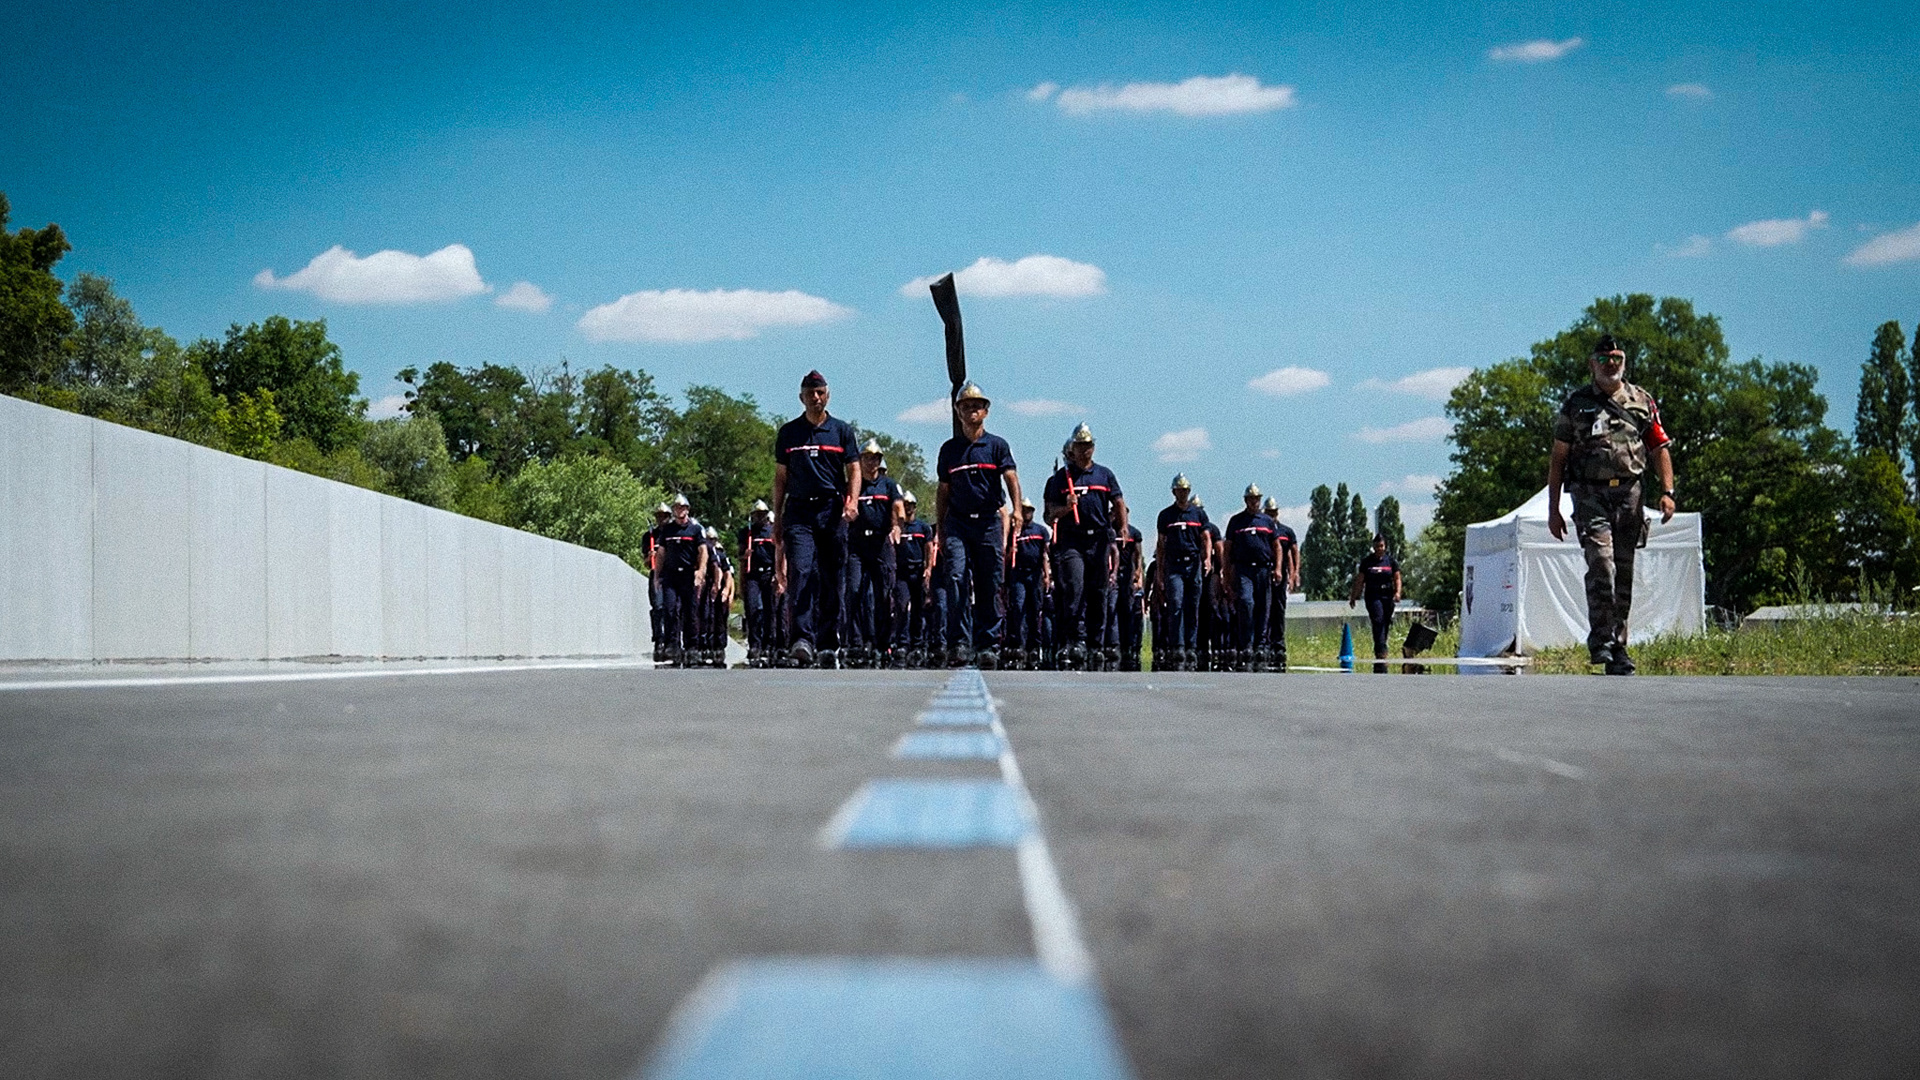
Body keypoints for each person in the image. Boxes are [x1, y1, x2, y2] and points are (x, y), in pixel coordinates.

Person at [1547, 333, 1676, 675]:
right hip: (1590, 495)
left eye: (1617, 358)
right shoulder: (1576, 404)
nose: (1611, 365)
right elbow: (1558, 458)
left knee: (1624, 573)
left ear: (1624, 361)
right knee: (1601, 564)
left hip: (1630, 495)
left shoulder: (1641, 400)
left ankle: (1619, 647)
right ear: (1593, 364)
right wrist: (1553, 508)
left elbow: (1659, 447)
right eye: (1604, 360)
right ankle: (1601, 640)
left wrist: (1668, 492)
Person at [772, 370, 861, 667]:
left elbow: (855, 470)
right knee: (801, 570)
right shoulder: (789, 433)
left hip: (831, 510)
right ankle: (802, 639)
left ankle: (827, 642)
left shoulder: (842, 431)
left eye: (820, 392)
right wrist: (778, 516)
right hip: (799, 511)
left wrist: (852, 502)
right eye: (810, 393)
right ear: (801, 397)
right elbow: (780, 478)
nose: (815, 397)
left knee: (832, 577)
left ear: (828, 395)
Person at [936, 382, 1023, 668]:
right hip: (958, 524)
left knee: (989, 582)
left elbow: (1011, 479)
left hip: (988, 523)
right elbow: (943, 492)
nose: (972, 410)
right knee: (957, 578)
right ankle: (959, 642)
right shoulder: (949, 450)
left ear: (985, 411)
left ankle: (987, 643)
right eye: (966, 406)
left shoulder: (997, 446)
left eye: (977, 405)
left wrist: (1017, 510)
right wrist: (941, 528)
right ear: (957, 411)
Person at [1042, 423, 1128, 671]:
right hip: (1072, 541)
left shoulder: (1105, 475)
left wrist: (1121, 527)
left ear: (1093, 447)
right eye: (1079, 446)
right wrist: (1066, 507)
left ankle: (1095, 643)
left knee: (1098, 592)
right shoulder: (1059, 479)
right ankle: (1076, 640)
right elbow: (1049, 516)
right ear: (1073, 448)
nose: (1084, 450)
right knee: (1075, 588)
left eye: (1088, 446)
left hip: (1098, 539)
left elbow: (1118, 501)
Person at [847, 439, 905, 667]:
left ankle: (882, 643)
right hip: (857, 546)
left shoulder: (889, 485)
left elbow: (898, 508)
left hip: (881, 544)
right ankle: (857, 642)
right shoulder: (853, 486)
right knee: (853, 591)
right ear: (860, 460)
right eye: (868, 458)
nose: (872, 462)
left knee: (884, 595)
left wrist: (897, 525)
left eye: (876, 458)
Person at [1153, 474, 1211, 671]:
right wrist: (1160, 571)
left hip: (1193, 564)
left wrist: (1207, 559)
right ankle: (1177, 646)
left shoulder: (1199, 515)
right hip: (1173, 565)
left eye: (1185, 491)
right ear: (1173, 492)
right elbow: (1161, 545)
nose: (1182, 494)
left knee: (1192, 607)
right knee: (1176, 604)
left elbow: (1205, 538)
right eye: (1179, 491)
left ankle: (1191, 646)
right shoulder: (1166, 516)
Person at [1225, 484, 1282, 672]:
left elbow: (1277, 547)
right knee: (1246, 603)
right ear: (1245, 500)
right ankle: (1246, 644)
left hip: (1264, 570)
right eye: (1250, 499)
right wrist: (1227, 574)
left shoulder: (1266, 521)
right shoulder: (1236, 521)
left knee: (1263, 609)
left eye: (1256, 499)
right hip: (1244, 570)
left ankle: (1260, 645)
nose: (1254, 502)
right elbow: (1227, 550)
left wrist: (1278, 568)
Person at [652, 494, 708, 666]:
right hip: (670, 575)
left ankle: (691, 646)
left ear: (687, 509)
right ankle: (673, 644)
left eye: (683, 507)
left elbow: (703, 552)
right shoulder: (667, 530)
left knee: (690, 612)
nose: (680, 510)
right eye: (676, 507)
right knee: (669, 610)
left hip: (688, 576)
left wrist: (700, 571)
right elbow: (661, 553)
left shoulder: (695, 529)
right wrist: (656, 576)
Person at [892, 492, 937, 666]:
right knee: (902, 606)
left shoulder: (923, 528)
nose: (908, 507)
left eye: (911, 504)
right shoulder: (898, 528)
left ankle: (916, 644)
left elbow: (929, 548)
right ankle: (902, 642)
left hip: (918, 571)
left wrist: (927, 568)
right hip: (901, 573)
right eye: (906, 504)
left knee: (918, 609)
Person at [1008, 498, 1052, 668]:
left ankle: (1034, 645)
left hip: (1035, 574)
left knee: (1035, 609)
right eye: (1023, 510)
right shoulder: (1014, 532)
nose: (1026, 513)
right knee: (1018, 607)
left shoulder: (1041, 531)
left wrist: (1046, 574)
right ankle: (1019, 643)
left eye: (1029, 510)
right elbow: (1007, 554)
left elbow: (1044, 554)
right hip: (1018, 573)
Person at [1348, 533, 1401, 665]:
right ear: (1374, 546)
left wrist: (1398, 592)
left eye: (1382, 546)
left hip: (1387, 595)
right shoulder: (1367, 562)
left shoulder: (1391, 561)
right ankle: (1380, 651)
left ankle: (1382, 645)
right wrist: (1354, 596)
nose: (1379, 548)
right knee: (1378, 619)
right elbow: (1360, 580)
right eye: (1377, 546)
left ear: (1385, 546)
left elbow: (1397, 578)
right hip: (1373, 595)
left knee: (1386, 621)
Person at [738, 500, 778, 665]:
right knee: (754, 609)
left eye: (762, 514)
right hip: (752, 575)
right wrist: (744, 555)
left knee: (769, 610)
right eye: (757, 515)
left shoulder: (772, 532)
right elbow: (739, 556)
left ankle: (768, 643)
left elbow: (778, 554)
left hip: (769, 574)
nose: (759, 517)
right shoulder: (746, 533)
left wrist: (778, 574)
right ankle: (754, 644)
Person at [1263, 495, 1300, 672]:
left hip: (1279, 575)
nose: (1271, 516)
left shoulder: (1286, 532)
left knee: (1278, 608)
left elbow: (1292, 553)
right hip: (1264, 572)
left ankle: (1278, 643)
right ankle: (1266, 643)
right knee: (1265, 609)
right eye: (1268, 513)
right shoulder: (1263, 528)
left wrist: (1294, 573)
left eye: (1274, 513)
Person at [1112, 520, 1146, 670]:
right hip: (1112, 574)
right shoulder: (1110, 531)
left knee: (1128, 610)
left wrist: (1138, 572)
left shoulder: (1134, 533)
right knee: (1113, 609)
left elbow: (1138, 554)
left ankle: (1128, 645)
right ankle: (1114, 644)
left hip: (1128, 574)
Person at [703, 525, 734, 666]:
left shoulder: (720, 555)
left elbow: (728, 575)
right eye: (708, 539)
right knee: (706, 617)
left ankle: (719, 647)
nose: (711, 542)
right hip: (706, 588)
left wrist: (727, 591)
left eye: (713, 539)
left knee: (720, 620)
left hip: (719, 590)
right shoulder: (701, 553)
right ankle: (705, 646)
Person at [644, 502, 672, 659]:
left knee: (672, 608)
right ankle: (659, 639)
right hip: (657, 575)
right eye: (659, 517)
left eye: (664, 517)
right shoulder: (649, 536)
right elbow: (646, 563)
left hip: (672, 574)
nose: (662, 520)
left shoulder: (672, 533)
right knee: (658, 607)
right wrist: (651, 556)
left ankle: (672, 639)